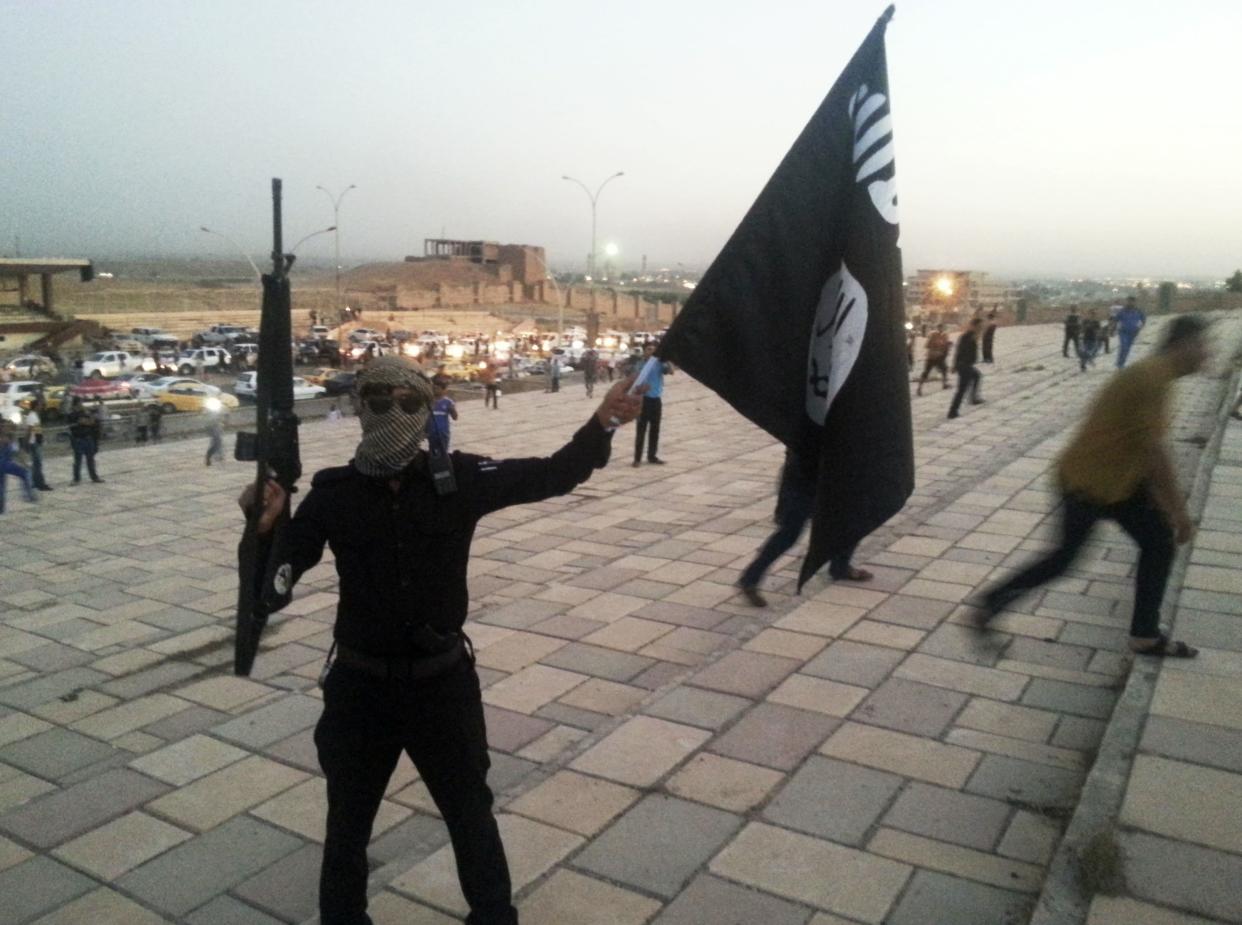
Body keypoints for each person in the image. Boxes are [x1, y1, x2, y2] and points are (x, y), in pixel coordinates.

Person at [238, 356, 644, 925]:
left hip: (441, 685)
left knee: (471, 816)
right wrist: (263, 530)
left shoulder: (462, 480)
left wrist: (603, 421)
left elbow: (554, 473)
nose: (392, 413)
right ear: (360, 408)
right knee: (347, 825)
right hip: (361, 689)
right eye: (377, 401)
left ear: (427, 409)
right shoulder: (334, 494)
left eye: (408, 402)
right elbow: (275, 587)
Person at [978, 315, 1211, 658]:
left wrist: (1161, 502)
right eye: (1204, 346)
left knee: (1158, 543)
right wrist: (1180, 512)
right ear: (1184, 344)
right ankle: (990, 603)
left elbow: (1142, 445)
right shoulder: (1152, 378)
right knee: (1064, 559)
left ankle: (1145, 634)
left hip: (1116, 482)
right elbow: (1155, 452)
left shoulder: (1156, 375)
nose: (1208, 354)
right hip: (1088, 483)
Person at [736, 449, 873, 606]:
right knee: (789, 533)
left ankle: (840, 566)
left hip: (832, 473)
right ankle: (750, 578)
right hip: (804, 476)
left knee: (851, 519)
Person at [633, 342, 672, 466]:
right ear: (644, 351)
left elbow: (670, 371)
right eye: (649, 349)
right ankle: (637, 458)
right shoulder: (639, 364)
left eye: (654, 350)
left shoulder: (659, 363)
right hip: (642, 400)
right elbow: (634, 379)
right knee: (641, 429)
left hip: (656, 400)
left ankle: (652, 456)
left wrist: (667, 359)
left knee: (655, 429)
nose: (651, 352)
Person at [947, 318, 984, 419]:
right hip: (964, 366)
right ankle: (952, 412)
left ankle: (973, 398)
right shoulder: (969, 336)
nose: (981, 329)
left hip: (965, 365)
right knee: (961, 390)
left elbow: (958, 351)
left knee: (977, 375)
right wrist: (955, 365)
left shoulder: (968, 336)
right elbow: (959, 352)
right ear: (974, 326)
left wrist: (955, 365)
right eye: (979, 327)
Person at [0, 421, 37, 514]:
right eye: (5, 426)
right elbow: (16, 452)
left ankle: (1, 508)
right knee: (24, 473)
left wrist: (24, 462)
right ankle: (29, 495)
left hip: (5, 463)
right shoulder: (6, 439)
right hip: (4, 463)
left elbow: (17, 453)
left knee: (2, 486)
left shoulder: (9, 437)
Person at [21, 398, 52, 491]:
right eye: (39, 405)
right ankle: (41, 484)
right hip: (34, 442)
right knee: (38, 464)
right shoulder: (32, 416)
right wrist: (26, 443)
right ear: (35, 406)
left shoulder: (34, 415)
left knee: (36, 464)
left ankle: (34, 482)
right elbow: (30, 430)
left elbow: (37, 430)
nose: (41, 406)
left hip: (35, 441)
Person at [68, 405, 104, 484]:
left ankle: (94, 477)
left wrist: (87, 420)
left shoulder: (85, 413)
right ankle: (76, 478)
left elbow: (91, 422)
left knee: (90, 459)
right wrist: (85, 422)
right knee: (78, 460)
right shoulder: (72, 415)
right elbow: (79, 423)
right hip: (78, 439)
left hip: (87, 438)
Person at [916, 324, 952, 396]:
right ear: (937, 328)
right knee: (926, 372)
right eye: (940, 327)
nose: (941, 329)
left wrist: (947, 345)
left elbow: (945, 346)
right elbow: (927, 345)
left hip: (939, 357)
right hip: (932, 357)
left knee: (944, 369)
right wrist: (936, 346)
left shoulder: (945, 335)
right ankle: (919, 388)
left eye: (942, 328)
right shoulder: (933, 335)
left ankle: (944, 384)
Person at [1115, 295, 1146, 368]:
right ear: (1127, 302)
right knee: (1124, 346)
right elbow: (1116, 320)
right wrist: (1111, 329)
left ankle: (1121, 362)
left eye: (1132, 301)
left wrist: (1140, 327)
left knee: (1127, 349)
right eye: (1129, 301)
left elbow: (1143, 319)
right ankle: (1120, 364)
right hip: (1123, 332)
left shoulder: (1138, 311)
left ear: (1135, 302)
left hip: (1133, 333)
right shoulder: (1122, 311)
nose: (1130, 303)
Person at [429, 375, 458, 451]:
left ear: (444, 390)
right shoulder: (429, 401)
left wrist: (452, 410)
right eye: (433, 388)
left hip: (443, 433)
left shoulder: (448, 402)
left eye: (437, 389)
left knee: (443, 451)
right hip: (431, 433)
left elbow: (455, 418)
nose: (434, 390)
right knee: (432, 451)